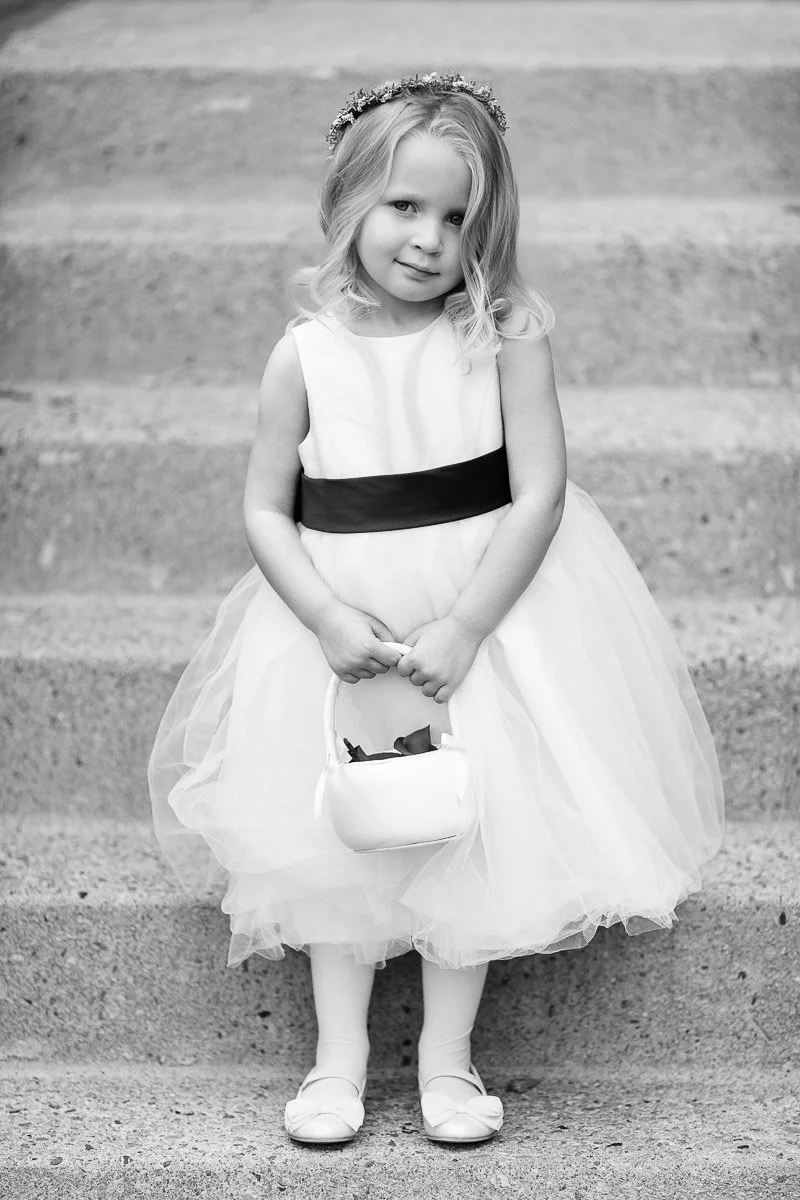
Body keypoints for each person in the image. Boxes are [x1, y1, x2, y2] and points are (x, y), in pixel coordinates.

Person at [148, 72, 724, 1147]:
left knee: (475, 826)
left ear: (487, 227)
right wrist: (321, 614)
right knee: (336, 837)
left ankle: (447, 1062)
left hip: (480, 618)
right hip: (341, 628)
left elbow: (539, 490)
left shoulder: (503, 333)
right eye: (403, 206)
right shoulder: (303, 354)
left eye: (457, 217)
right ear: (348, 203)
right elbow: (265, 507)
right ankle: (338, 1059)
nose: (427, 238)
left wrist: (464, 627)